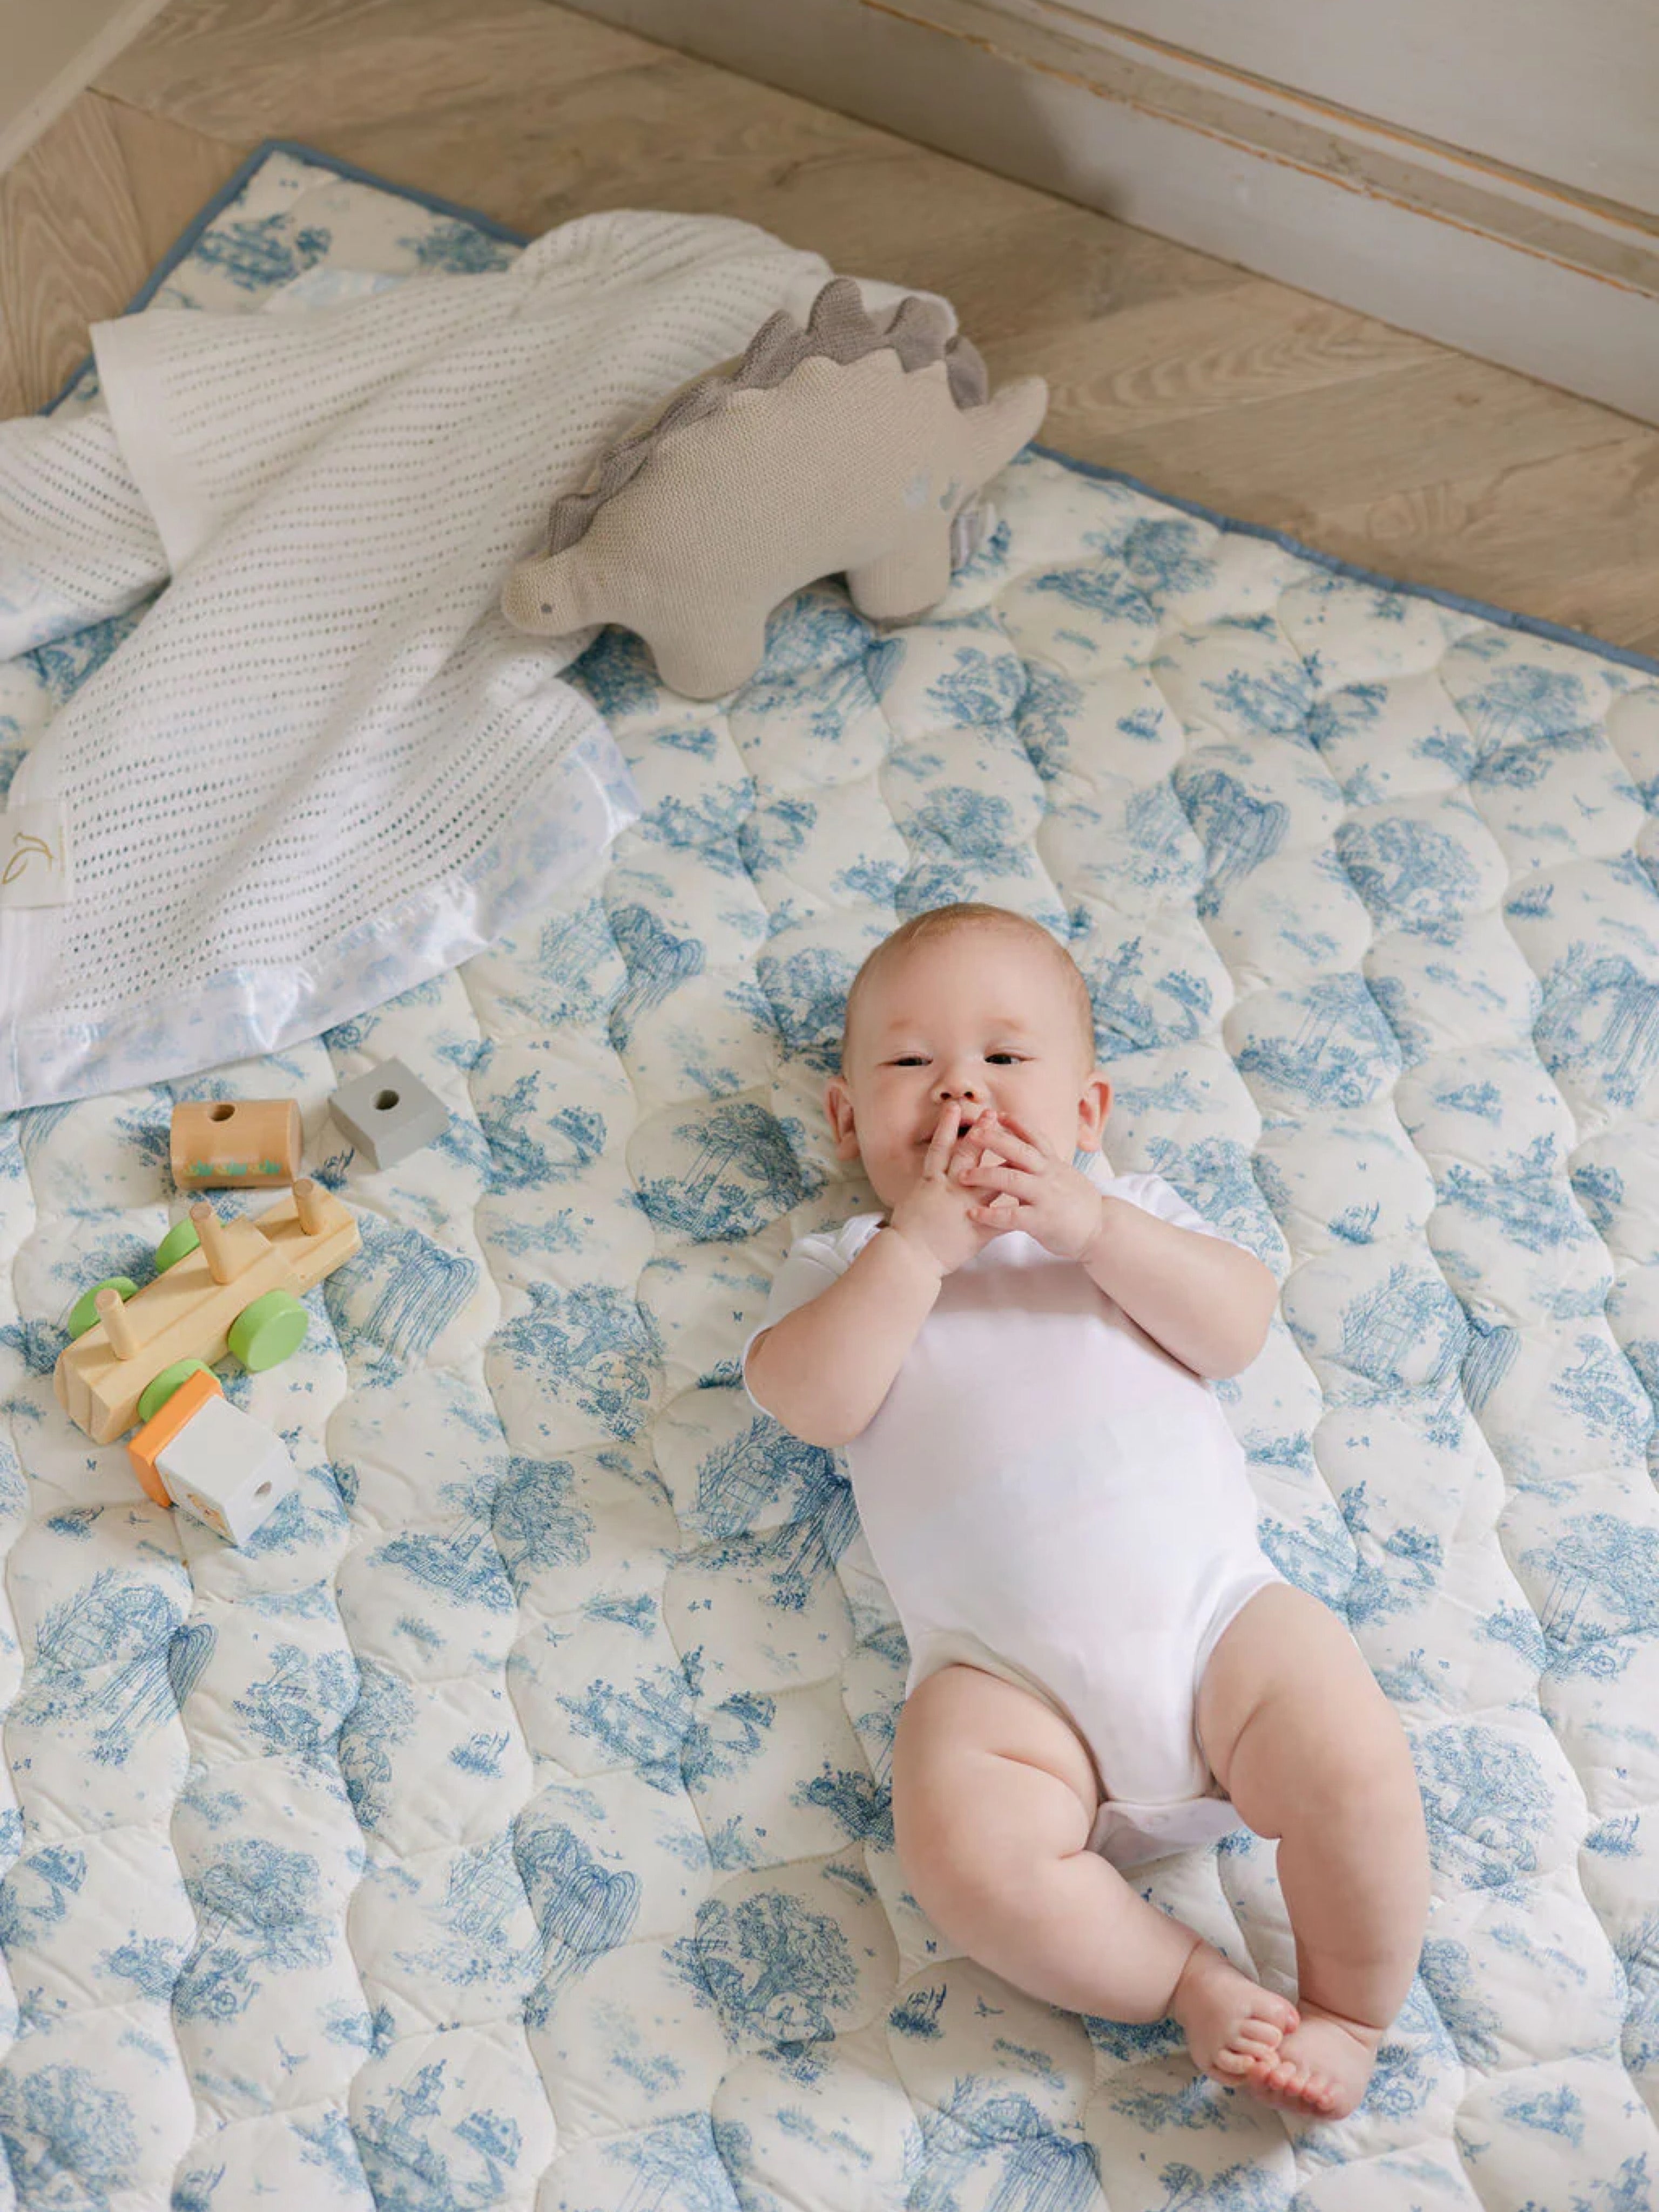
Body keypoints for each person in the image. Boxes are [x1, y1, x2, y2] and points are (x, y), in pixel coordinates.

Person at [744, 901, 1429, 2120]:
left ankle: (1347, 2011)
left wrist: (1096, 1225)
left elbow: (1236, 1326)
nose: (961, 1090)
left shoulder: (1132, 1213)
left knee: (1356, 1762)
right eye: (911, 1063)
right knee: (960, 1851)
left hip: (1218, 1626)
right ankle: (1188, 1980)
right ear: (848, 1122)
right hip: (1008, 1693)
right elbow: (810, 1401)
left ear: (1086, 1113)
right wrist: (915, 1252)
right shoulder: (846, 1265)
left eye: (1006, 1057)